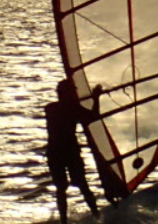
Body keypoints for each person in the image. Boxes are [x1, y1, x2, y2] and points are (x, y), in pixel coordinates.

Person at [45, 79, 98, 223]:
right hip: (64, 152)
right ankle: (94, 216)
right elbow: (93, 117)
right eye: (72, 91)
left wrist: (94, 99)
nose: (75, 93)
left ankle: (92, 216)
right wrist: (96, 99)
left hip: (57, 151)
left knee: (70, 186)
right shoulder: (68, 108)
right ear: (65, 93)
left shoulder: (51, 108)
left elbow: (91, 117)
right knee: (72, 186)